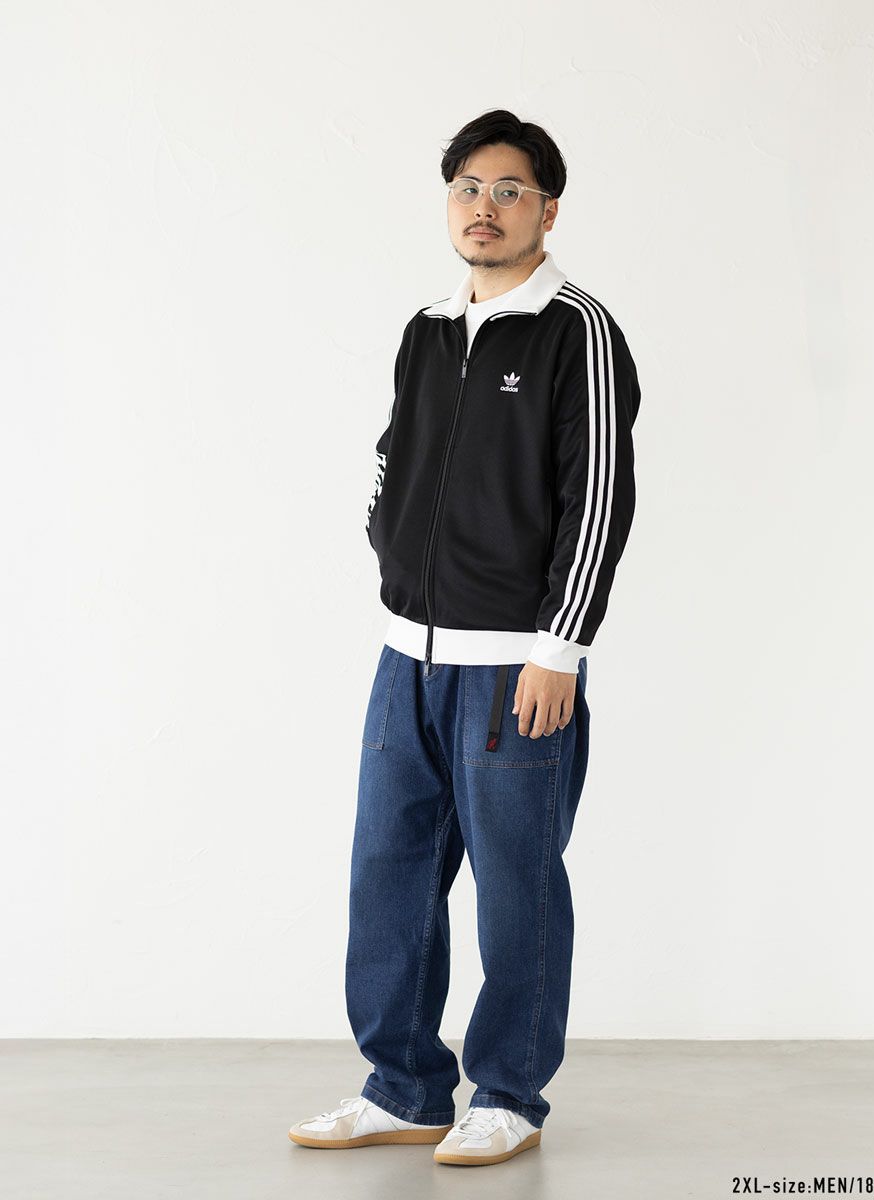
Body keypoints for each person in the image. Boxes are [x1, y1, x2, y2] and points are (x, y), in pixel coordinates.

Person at [289, 108, 642, 1168]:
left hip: (515, 668)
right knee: (388, 873)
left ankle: (509, 1095)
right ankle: (403, 1087)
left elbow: (599, 498)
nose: (484, 208)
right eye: (468, 188)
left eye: (509, 190)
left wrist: (559, 647)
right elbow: (393, 457)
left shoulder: (576, 330)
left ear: (548, 210)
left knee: (516, 884)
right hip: (406, 656)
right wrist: (391, 552)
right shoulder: (429, 328)